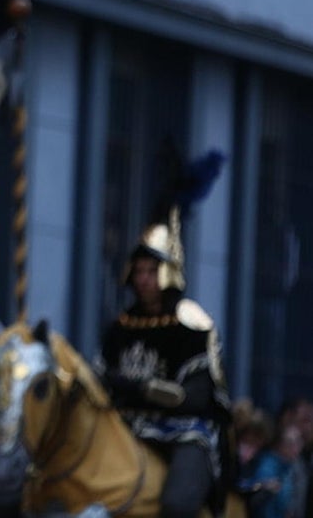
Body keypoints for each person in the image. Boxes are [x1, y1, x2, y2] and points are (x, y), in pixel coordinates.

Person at [99, 168, 232, 518]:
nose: (143, 279)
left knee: (176, 504)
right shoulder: (122, 324)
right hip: (126, 423)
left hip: (184, 431)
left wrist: (137, 387)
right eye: (139, 271)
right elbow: (102, 374)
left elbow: (194, 397)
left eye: (151, 271)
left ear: (168, 272)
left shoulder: (192, 322)